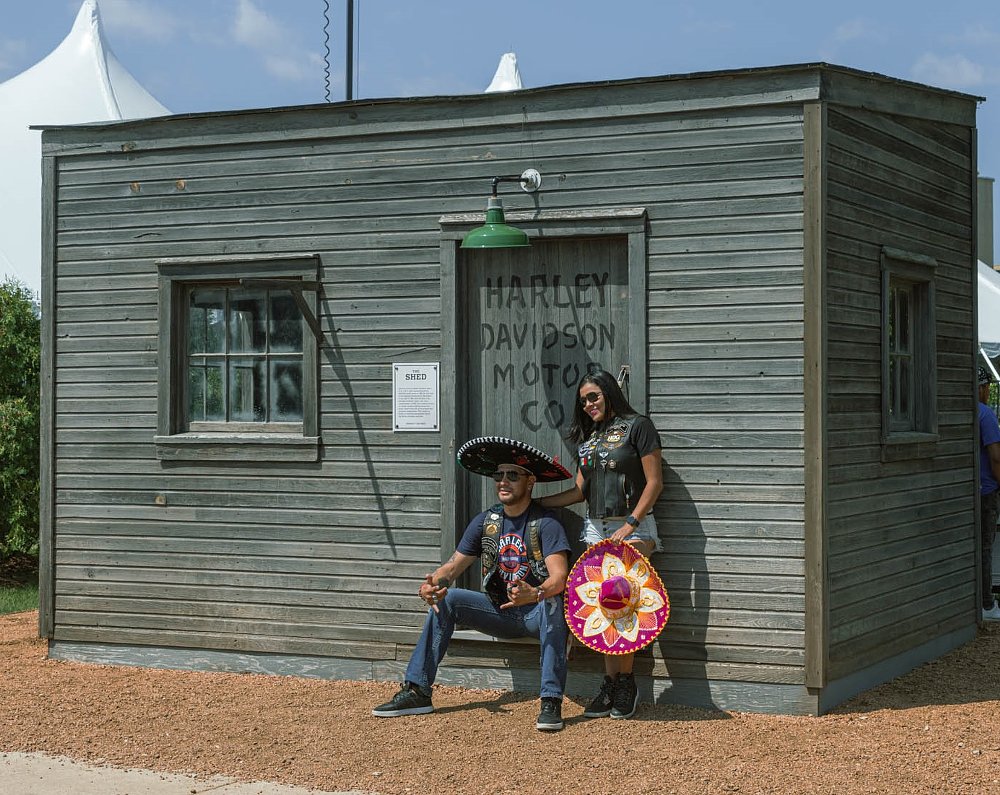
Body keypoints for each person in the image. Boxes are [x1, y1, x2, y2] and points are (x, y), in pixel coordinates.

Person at [372, 436, 573, 731]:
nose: (503, 481)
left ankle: (551, 700)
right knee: (447, 599)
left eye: (512, 475)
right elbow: (453, 566)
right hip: (498, 610)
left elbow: (559, 578)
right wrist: (433, 583)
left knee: (554, 604)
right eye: (498, 475)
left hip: (534, 613)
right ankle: (418, 691)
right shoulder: (486, 521)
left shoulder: (546, 522)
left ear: (530, 482)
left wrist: (535, 592)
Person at [538, 365, 663, 719]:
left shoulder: (639, 426)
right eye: (583, 401)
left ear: (609, 392)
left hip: (633, 526)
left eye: (594, 396)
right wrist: (540, 503)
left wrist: (632, 522)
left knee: (625, 604)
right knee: (603, 607)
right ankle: (612, 685)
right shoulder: (589, 440)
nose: (589, 404)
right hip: (595, 528)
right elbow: (580, 490)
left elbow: (654, 483)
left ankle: (626, 684)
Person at [978, 366, 1000, 621]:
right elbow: (996, 456)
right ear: (982, 388)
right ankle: (987, 605)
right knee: (986, 547)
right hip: (987, 491)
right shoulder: (985, 414)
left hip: (971, 490)